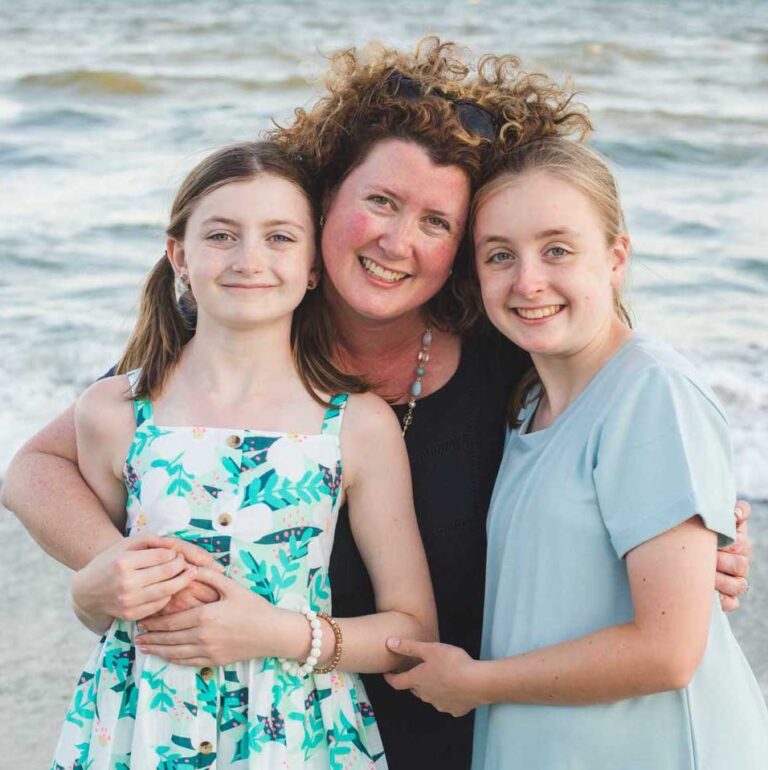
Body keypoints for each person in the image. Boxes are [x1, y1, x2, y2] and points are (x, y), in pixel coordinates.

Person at [3, 39, 752, 770]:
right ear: (327, 200)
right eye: (381, 202)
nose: (397, 242)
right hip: (245, 728)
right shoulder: (235, 338)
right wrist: (117, 568)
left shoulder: (509, 353)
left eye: (436, 224)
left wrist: (695, 538)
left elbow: (620, 450)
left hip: (471, 726)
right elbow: (39, 467)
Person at [49, 140, 437, 770]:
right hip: (139, 725)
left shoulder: (355, 424)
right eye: (222, 235)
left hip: (297, 733)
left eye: (280, 238)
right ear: (179, 255)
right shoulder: (114, 412)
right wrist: (91, 586)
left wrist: (275, 633)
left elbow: (411, 633)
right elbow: (104, 602)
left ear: (315, 265)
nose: (249, 260)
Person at [385, 138, 768, 769]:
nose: (528, 280)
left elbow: (668, 652)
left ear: (617, 257)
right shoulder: (528, 401)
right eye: (500, 255)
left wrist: (477, 682)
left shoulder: (652, 393)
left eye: (557, 250)